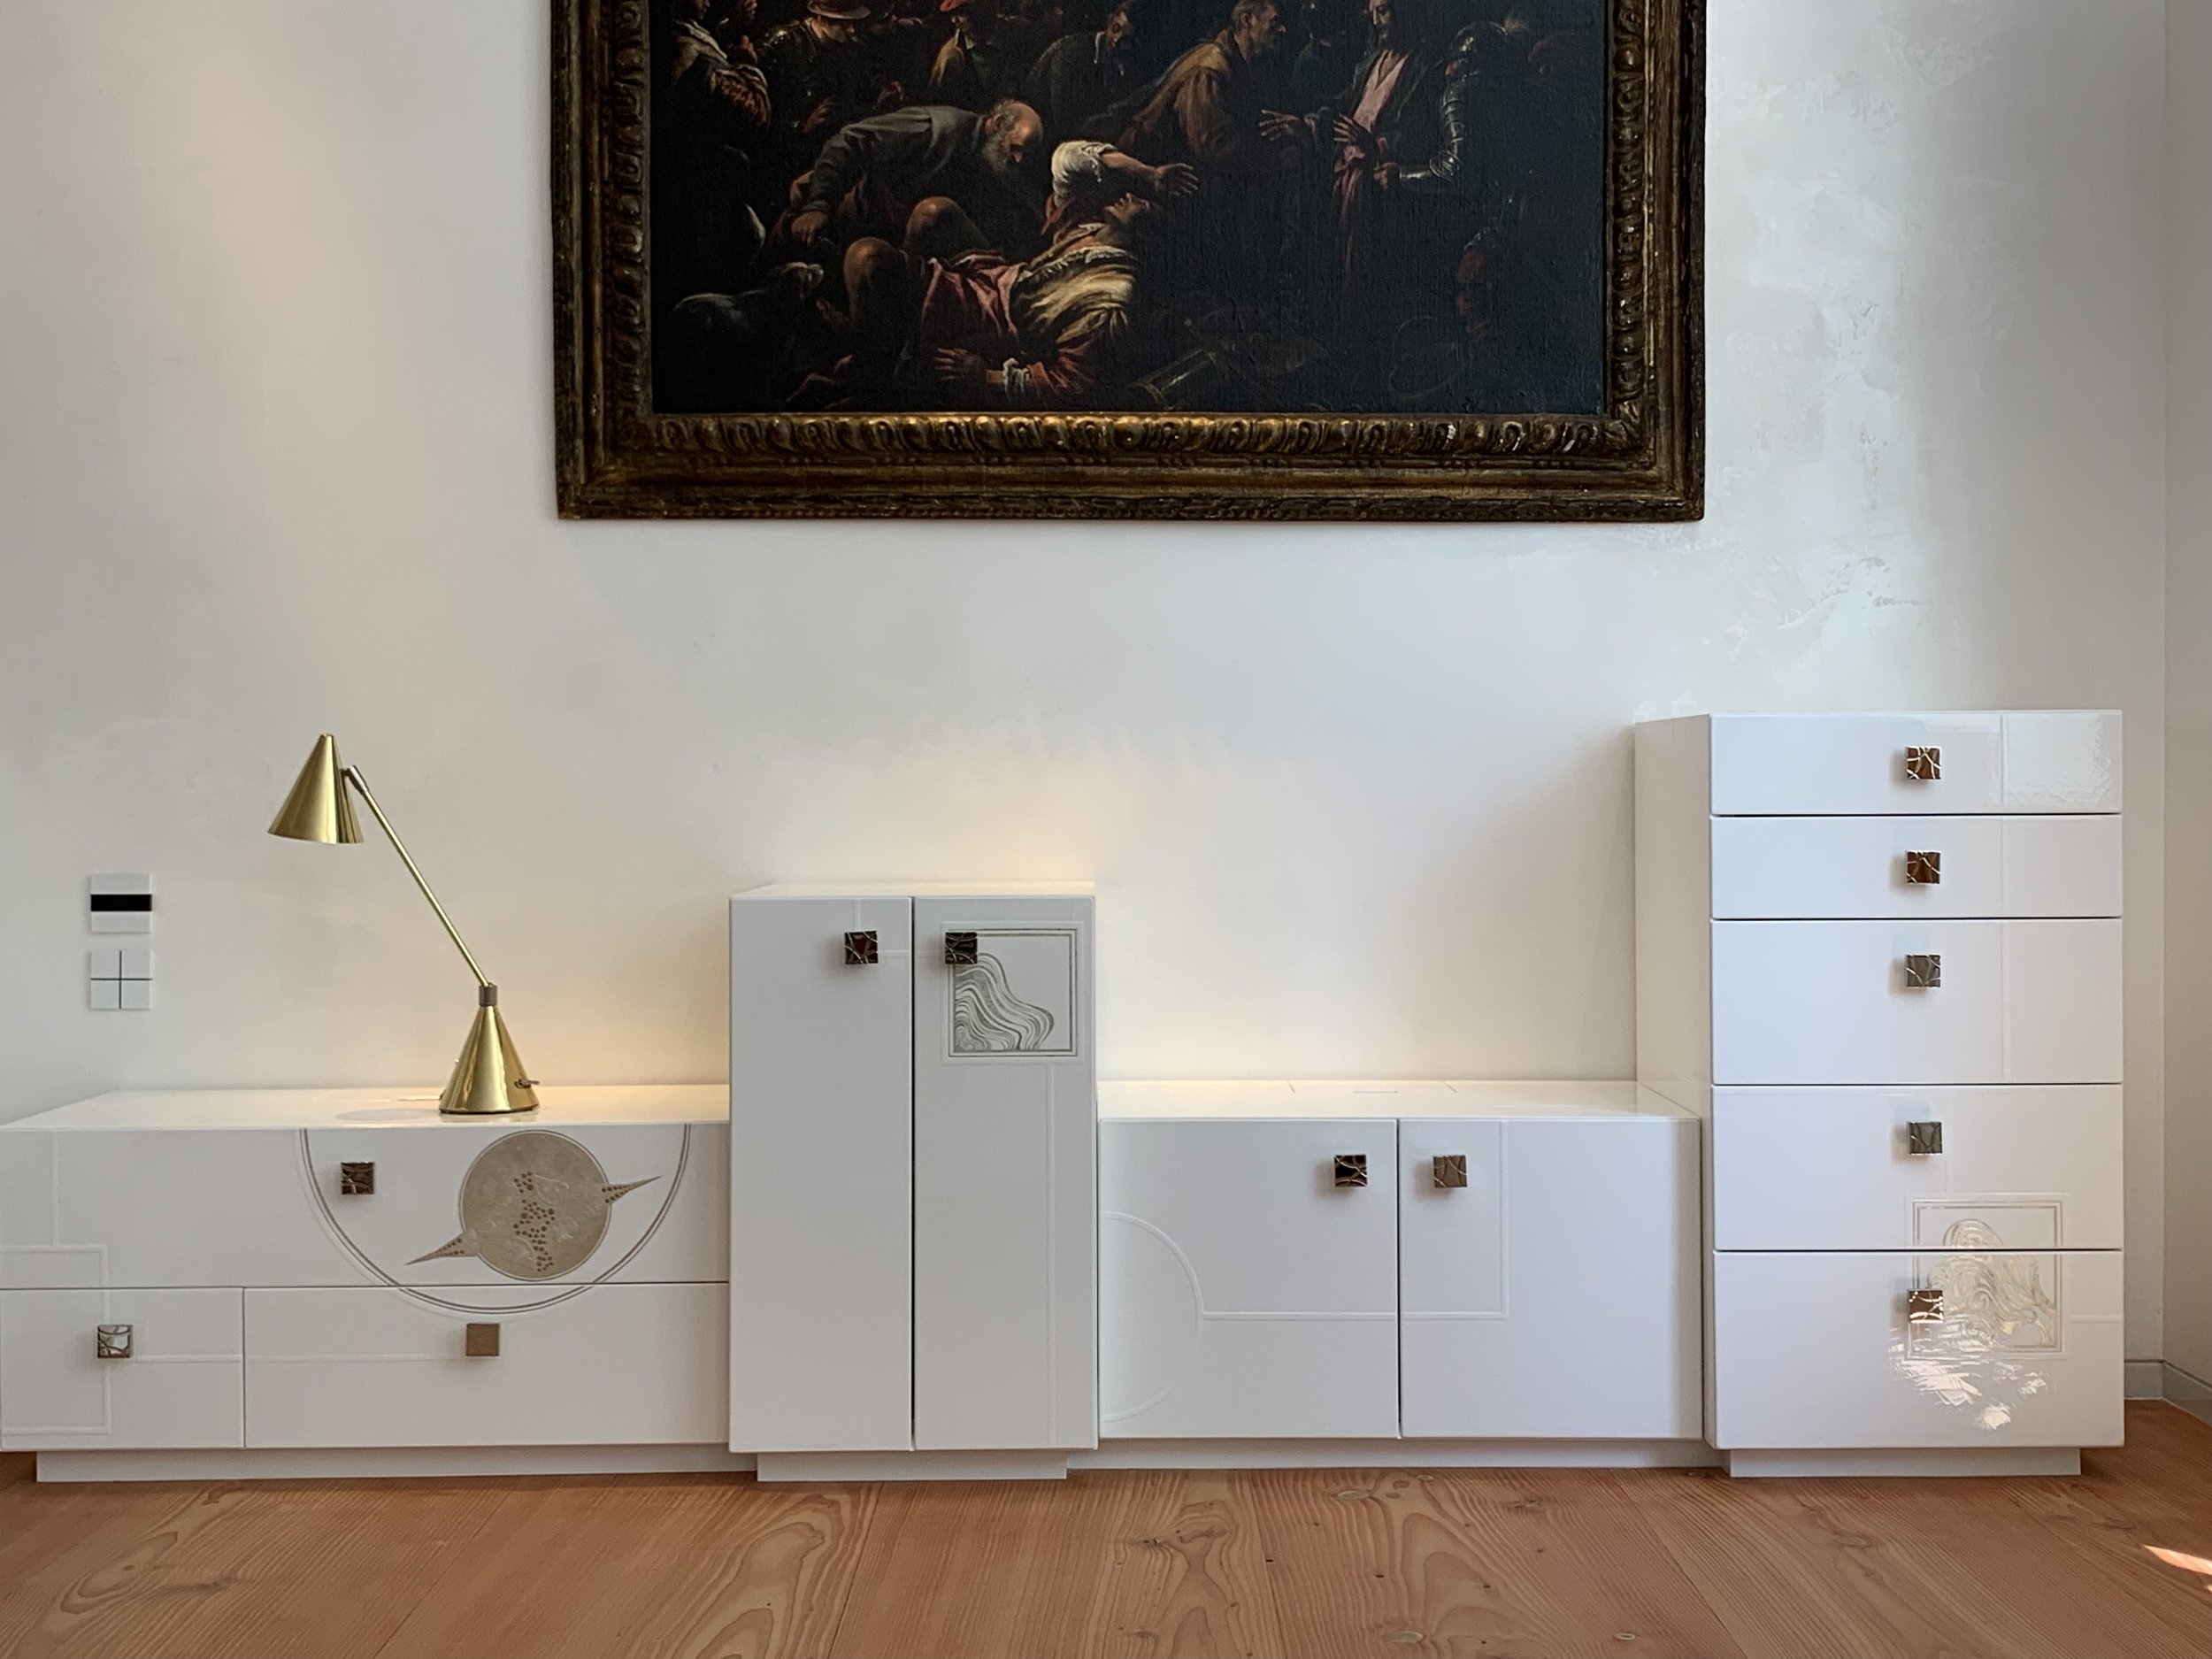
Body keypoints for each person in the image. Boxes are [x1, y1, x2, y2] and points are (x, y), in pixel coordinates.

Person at [839, 141, 1188, 403]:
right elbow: (1067, 159)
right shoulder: (1088, 225)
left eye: (1142, 204)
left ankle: (874, 370)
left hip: (998, 323)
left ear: (1146, 235)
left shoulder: (1108, 296)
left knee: (866, 259)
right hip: (1002, 279)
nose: (1130, 196)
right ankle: (896, 332)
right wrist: (1148, 173)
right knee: (934, 212)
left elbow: (1072, 383)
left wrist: (985, 377)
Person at [787, 99, 1048, 257]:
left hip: (908, 247)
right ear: (997, 122)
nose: (1018, 160)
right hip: (859, 223)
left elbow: (1022, 198)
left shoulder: (997, 159)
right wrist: (819, 205)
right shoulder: (931, 128)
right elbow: (851, 140)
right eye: (1016, 148)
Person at [657, 0, 775, 303]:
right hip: (702, 186)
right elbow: (752, 113)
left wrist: (733, 26)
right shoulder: (683, 48)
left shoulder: (683, 35)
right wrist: (748, 63)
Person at [759, 0, 900, 191]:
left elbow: (855, 103)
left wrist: (879, 105)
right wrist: (802, 127)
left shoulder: (856, 47)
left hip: (838, 157)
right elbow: (759, 117)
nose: (851, 30)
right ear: (820, 18)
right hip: (790, 164)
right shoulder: (782, 46)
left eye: (854, 22)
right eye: (842, 23)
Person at [1021, 0, 1141, 145]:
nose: (1116, 40)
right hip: (1039, 138)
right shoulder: (1073, 51)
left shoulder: (1117, 66)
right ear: (1110, 21)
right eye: (1116, 29)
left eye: (1126, 40)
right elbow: (1066, 123)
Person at [928, 0, 1018, 111]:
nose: (954, 21)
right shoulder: (951, 55)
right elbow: (938, 102)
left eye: (961, 14)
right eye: (952, 15)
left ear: (979, 11)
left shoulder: (1014, 36)